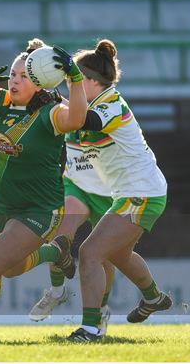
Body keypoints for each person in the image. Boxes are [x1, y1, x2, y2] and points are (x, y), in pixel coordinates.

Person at [0, 38, 89, 340]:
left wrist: (74, 78)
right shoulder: (0, 101)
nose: (14, 80)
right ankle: (55, 252)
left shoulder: (51, 111)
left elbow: (78, 118)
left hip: (40, 208)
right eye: (13, 74)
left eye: (23, 76)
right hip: (0, 203)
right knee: (8, 269)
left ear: (40, 82)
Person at [62, 39, 170, 342]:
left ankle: (91, 329)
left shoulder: (110, 104)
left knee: (90, 252)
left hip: (142, 193)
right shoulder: (94, 102)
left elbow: (87, 121)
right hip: (132, 192)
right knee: (120, 254)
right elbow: (72, 117)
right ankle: (153, 298)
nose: (70, 87)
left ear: (92, 82)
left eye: (75, 80)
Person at [29, 130, 115, 336]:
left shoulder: (110, 104)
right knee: (59, 236)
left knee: (106, 256)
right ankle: (57, 291)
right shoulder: (68, 105)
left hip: (107, 190)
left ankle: (101, 309)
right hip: (77, 185)